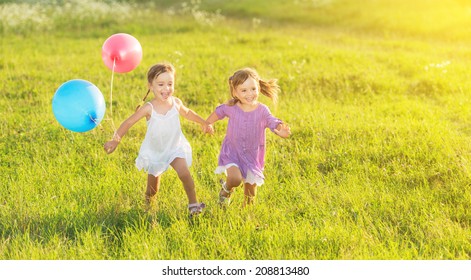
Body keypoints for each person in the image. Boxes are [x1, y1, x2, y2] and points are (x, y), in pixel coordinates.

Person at [104, 62, 213, 216]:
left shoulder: (175, 102)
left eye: (170, 84)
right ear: (151, 86)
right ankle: (148, 209)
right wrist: (115, 140)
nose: (166, 88)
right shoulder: (149, 108)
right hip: (156, 151)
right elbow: (129, 122)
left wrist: (204, 122)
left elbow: (188, 113)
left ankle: (194, 205)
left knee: (184, 174)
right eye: (161, 84)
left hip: (175, 147)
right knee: (152, 190)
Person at [206, 67, 291, 206]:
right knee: (234, 179)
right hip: (232, 152)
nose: (249, 94)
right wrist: (207, 123)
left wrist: (279, 130)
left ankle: (246, 217)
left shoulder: (262, 110)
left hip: (252, 155)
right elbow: (219, 111)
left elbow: (272, 121)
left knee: (250, 195)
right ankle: (226, 189)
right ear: (235, 92)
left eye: (253, 89)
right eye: (244, 90)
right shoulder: (232, 107)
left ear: (258, 87)